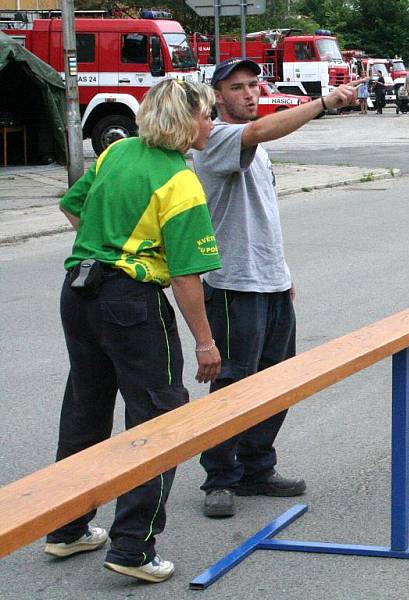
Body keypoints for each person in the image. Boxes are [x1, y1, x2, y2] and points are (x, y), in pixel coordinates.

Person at [44, 79, 222, 582]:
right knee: (158, 420)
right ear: (187, 122)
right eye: (207, 114)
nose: (212, 123)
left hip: (79, 291)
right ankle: (133, 548)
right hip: (131, 302)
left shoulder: (116, 151)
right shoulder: (180, 181)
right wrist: (205, 342)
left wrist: (105, 245)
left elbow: (72, 206)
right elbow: (188, 276)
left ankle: (67, 527)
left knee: (85, 410)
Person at [193, 58, 359, 519]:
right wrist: (324, 102)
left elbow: (261, 217)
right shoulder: (216, 140)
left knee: (277, 383)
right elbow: (261, 131)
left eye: (252, 85)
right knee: (233, 384)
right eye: (236, 87)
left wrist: (282, 275)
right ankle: (219, 477)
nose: (248, 93)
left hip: (269, 281)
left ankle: (256, 469)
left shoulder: (255, 146)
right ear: (218, 96)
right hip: (232, 284)